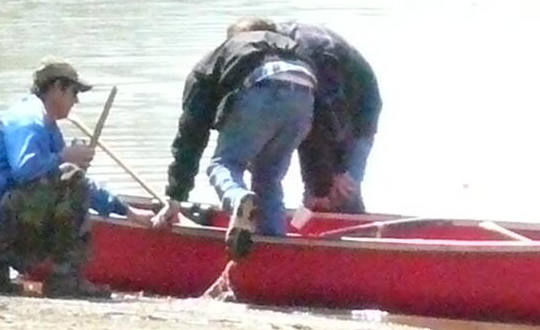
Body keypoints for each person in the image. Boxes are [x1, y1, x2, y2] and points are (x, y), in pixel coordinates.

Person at [0, 60, 129, 299]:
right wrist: (65, 157)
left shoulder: (49, 127)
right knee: (71, 180)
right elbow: (25, 170)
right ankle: (65, 279)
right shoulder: (29, 119)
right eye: (74, 92)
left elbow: (74, 183)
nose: (76, 101)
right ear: (57, 87)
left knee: (71, 180)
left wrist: (124, 210)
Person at [151, 20, 317, 260]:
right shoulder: (290, 48)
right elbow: (320, 127)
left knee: (224, 164)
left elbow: (191, 132)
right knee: (269, 177)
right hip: (306, 92)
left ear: (230, 39)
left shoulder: (217, 57)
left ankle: (238, 198)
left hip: (261, 86)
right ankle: (274, 248)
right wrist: (319, 182)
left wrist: (176, 195)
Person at [270, 18, 381, 213]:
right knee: (328, 189)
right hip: (350, 107)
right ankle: (315, 229)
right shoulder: (288, 43)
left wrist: (334, 174)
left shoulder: (301, 50)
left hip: (355, 112)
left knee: (339, 191)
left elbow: (323, 113)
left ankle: (342, 236)